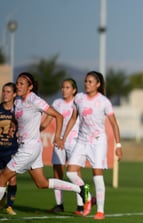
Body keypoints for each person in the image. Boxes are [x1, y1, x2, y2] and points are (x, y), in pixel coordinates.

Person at [0, 72, 90, 212]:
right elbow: (15, 116)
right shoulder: (17, 102)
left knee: (3, 177)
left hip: (29, 149)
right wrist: (12, 125)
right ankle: (79, 189)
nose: (18, 86)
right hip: (28, 147)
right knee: (41, 183)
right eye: (17, 83)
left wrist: (58, 138)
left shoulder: (34, 100)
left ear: (30, 87)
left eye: (22, 84)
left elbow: (58, 116)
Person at [62, 71, 122, 220]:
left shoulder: (104, 102)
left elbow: (114, 124)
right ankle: (89, 196)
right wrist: (63, 137)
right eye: (86, 81)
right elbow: (73, 118)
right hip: (82, 141)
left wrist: (118, 145)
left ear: (98, 84)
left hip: (98, 141)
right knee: (70, 172)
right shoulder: (79, 99)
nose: (87, 84)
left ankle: (100, 211)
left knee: (97, 174)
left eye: (90, 82)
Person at [40, 78, 84, 215]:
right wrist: (34, 131)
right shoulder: (57, 103)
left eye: (67, 87)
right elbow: (46, 121)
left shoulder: (78, 103)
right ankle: (59, 204)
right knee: (57, 172)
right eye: (63, 87)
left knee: (75, 173)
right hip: (59, 142)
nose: (64, 90)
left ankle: (81, 205)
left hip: (74, 141)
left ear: (74, 90)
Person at [0, 82, 19, 215]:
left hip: (12, 149)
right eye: (3, 91)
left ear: (14, 94)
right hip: (0, 149)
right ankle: (2, 197)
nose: (5, 94)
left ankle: (9, 205)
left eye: (8, 92)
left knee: (12, 178)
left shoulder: (18, 110)